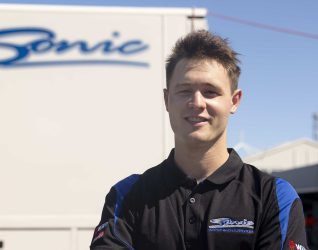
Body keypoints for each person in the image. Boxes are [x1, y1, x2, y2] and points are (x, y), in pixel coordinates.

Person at [90, 30, 308, 250]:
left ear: (234, 101)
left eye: (210, 91)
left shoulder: (274, 196)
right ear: (167, 100)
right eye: (184, 91)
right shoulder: (126, 196)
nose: (197, 102)